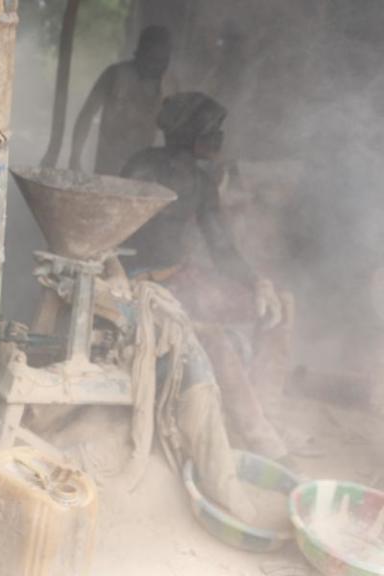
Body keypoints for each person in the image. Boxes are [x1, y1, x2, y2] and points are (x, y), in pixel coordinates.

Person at [119, 92, 289, 460]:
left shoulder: (201, 183)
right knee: (211, 338)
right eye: (213, 129)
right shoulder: (142, 168)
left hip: (185, 278)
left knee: (281, 305)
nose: (220, 137)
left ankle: (266, 410)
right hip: (146, 284)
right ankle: (259, 437)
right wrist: (123, 282)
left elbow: (222, 248)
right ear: (188, 132)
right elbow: (113, 229)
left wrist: (257, 281)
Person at [66, 25, 174, 176]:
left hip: (144, 171)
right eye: (153, 59)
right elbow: (87, 114)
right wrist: (75, 156)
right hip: (108, 164)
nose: (157, 66)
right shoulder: (115, 75)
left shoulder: (169, 87)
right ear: (140, 53)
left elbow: (173, 132)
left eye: (162, 61)